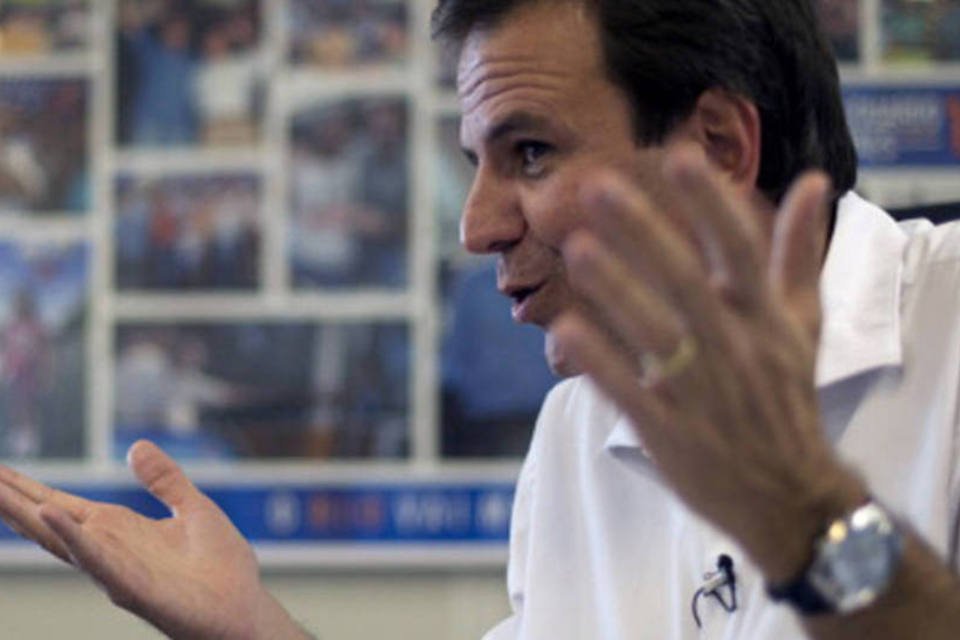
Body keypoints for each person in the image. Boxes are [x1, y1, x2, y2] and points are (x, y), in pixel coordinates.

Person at [0, 0, 959, 638]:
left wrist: (810, 524)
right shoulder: (580, 431)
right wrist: (254, 627)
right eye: (476, 164)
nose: (476, 227)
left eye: (532, 153)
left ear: (714, 145)